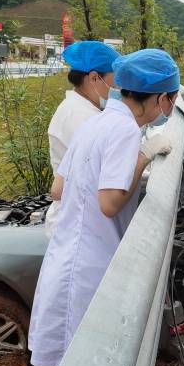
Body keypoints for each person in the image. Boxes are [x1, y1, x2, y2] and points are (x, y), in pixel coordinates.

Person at [23, 49, 180, 366]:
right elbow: (110, 203)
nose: (168, 107)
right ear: (160, 98)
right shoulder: (126, 131)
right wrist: (143, 157)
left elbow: (58, 189)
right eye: (170, 99)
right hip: (89, 269)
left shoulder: (94, 123)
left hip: (65, 259)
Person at [45, 41, 121, 238]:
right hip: (75, 223)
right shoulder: (78, 116)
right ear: (94, 78)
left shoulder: (89, 110)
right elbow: (107, 169)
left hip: (84, 215)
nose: (117, 87)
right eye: (114, 81)